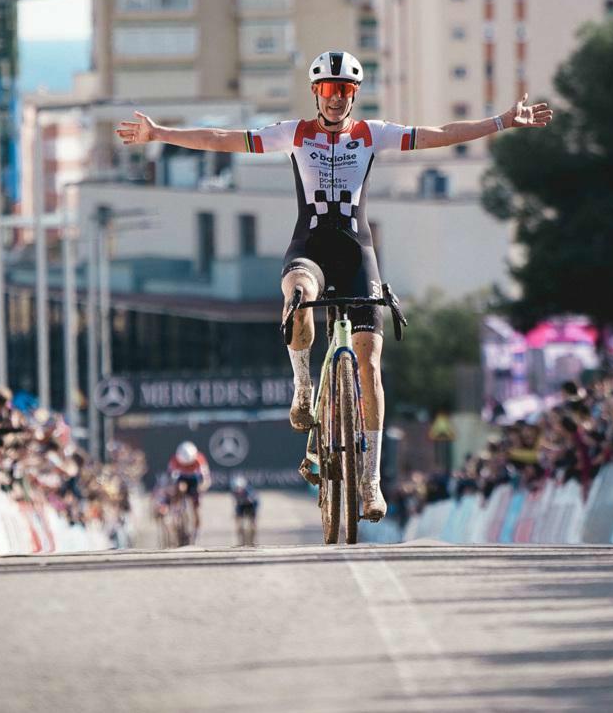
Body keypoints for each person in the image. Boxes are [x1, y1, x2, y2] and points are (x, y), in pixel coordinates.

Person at [117, 49, 553, 520]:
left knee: (369, 362)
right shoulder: (294, 134)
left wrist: (503, 121)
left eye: (344, 90)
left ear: (354, 95)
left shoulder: (372, 134)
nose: (335, 99)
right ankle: (303, 386)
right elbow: (224, 138)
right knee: (298, 293)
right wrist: (160, 133)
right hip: (309, 247)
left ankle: (369, 481)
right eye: (327, 89)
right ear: (315, 93)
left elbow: (440, 135)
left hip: (356, 254)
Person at [166, 440, 210, 534]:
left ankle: (196, 531)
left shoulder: (199, 459)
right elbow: (169, 476)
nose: (187, 465)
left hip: (194, 479)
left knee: (196, 507)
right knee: (180, 488)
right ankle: (176, 510)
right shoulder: (175, 459)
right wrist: (171, 489)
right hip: (182, 478)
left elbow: (206, 477)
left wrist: (203, 486)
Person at [231, 475, 259, 546]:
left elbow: (252, 502)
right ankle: (242, 541)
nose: (237, 490)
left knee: (252, 523)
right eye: (236, 488)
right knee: (239, 523)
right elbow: (236, 503)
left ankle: (252, 540)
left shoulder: (249, 491)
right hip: (241, 505)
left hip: (251, 505)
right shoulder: (234, 492)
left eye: (239, 488)